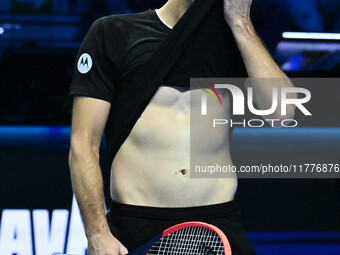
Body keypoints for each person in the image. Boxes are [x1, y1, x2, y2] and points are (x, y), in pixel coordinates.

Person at [68, 0, 296, 254]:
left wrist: (241, 24)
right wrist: (97, 233)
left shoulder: (238, 42)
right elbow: (83, 144)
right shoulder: (113, 33)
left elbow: (282, 112)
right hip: (136, 228)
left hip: (219, 226)